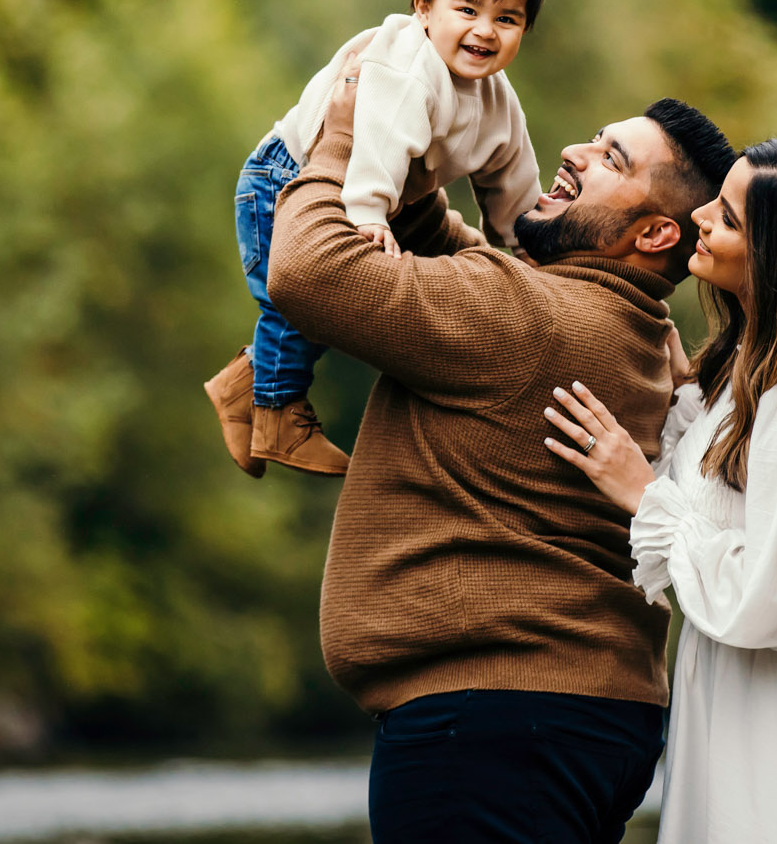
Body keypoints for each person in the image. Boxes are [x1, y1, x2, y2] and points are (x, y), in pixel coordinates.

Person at [265, 50, 735, 844]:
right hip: (567, 717)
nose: (573, 153)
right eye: (592, 138)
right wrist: (410, 162)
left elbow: (309, 270)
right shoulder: (639, 332)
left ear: (656, 231)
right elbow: (451, 252)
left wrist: (353, 123)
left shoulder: (528, 319)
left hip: (488, 728)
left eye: (610, 158)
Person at [544, 138, 777, 843]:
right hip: (745, 688)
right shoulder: (749, 376)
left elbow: (768, 605)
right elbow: (725, 495)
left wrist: (642, 492)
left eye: (725, 215)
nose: (698, 215)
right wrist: (675, 394)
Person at [204, 0, 548, 477]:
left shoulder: (498, 104)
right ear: (424, 9)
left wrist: (534, 250)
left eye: (506, 19)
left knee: (328, 308)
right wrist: (365, 213)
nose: (485, 31)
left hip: (375, 195)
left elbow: (513, 182)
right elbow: (382, 139)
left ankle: (240, 389)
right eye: (467, 10)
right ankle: (276, 414)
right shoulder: (406, 62)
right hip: (287, 176)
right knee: (303, 299)